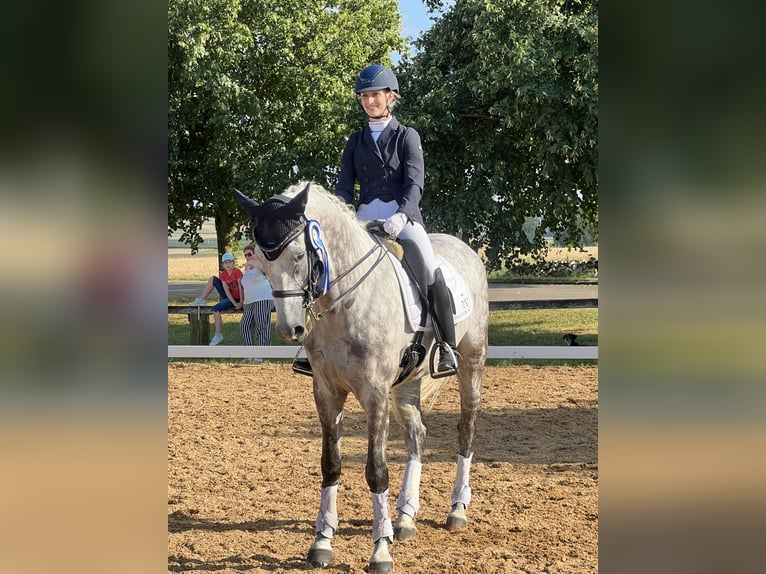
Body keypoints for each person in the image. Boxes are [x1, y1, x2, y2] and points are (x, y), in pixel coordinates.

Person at [294, 64, 457, 377]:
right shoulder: (355, 141)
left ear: (390, 97)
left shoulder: (407, 136)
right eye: (364, 96)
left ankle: (446, 346)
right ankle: (311, 342)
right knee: (324, 269)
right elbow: (343, 186)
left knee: (431, 270)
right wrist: (340, 217)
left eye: (375, 95)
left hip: (403, 216)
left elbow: (415, 184)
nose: (370, 101)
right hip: (365, 217)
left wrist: (401, 216)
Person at [190, 252, 243, 345]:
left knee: (215, 309)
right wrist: (234, 303)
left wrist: (240, 303)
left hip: (238, 297)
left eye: (230, 262)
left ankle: (218, 334)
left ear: (233, 263)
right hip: (230, 297)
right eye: (225, 262)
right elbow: (226, 291)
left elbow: (241, 288)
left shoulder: (237, 272)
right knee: (213, 279)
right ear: (222, 264)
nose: (228, 264)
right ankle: (201, 300)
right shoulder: (223, 275)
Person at [239, 243, 274, 361]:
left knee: (262, 326)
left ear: (256, 253)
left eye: (249, 254)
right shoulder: (247, 268)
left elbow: (266, 270)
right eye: (245, 256)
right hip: (249, 302)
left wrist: (252, 262)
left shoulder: (261, 264)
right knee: (244, 326)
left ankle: (262, 354)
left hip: (262, 299)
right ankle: (250, 353)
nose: (247, 257)